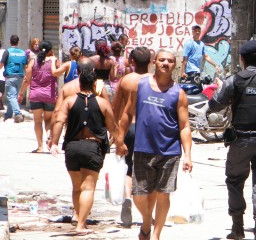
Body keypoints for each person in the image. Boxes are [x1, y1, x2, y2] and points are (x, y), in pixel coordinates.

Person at [119, 49, 193, 240]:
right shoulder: (140, 85)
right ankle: (146, 221)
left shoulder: (179, 94)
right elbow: (127, 113)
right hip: (143, 148)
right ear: (154, 62)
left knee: (163, 195)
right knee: (139, 195)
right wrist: (119, 138)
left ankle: (156, 234)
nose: (165, 63)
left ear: (174, 65)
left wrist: (188, 155)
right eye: (162, 60)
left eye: (169, 61)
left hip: (170, 152)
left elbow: (184, 126)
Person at [49, 58, 127, 235]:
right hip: (93, 148)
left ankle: (77, 215)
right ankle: (81, 225)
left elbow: (59, 120)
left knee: (77, 187)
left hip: (72, 147)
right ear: (94, 82)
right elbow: (113, 127)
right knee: (88, 187)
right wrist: (120, 144)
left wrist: (54, 142)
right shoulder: (102, 103)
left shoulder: (69, 100)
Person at [208, 40, 256, 240]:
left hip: (240, 141)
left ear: (241, 59)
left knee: (235, 181)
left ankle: (237, 228)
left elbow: (214, 106)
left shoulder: (234, 80)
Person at [111, 47, 152, 227]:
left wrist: (116, 133)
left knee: (129, 168)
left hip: (128, 128)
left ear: (132, 62)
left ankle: (128, 197)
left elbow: (117, 108)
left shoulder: (126, 80)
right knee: (148, 170)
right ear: (150, 62)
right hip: (148, 128)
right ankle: (147, 213)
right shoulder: (154, 81)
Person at [18, 41, 60, 153]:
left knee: (37, 121)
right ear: (50, 50)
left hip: (35, 95)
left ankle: (40, 147)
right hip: (49, 95)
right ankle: (49, 138)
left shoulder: (33, 62)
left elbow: (27, 79)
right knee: (48, 120)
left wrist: (21, 93)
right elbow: (58, 73)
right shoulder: (54, 61)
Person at [1, 35, 27, 123]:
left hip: (10, 77)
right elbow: (26, 66)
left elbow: (1, 65)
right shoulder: (23, 53)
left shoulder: (7, 52)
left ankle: (18, 113)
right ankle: (8, 114)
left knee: (11, 96)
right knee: (13, 96)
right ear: (18, 42)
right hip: (20, 77)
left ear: (10, 41)